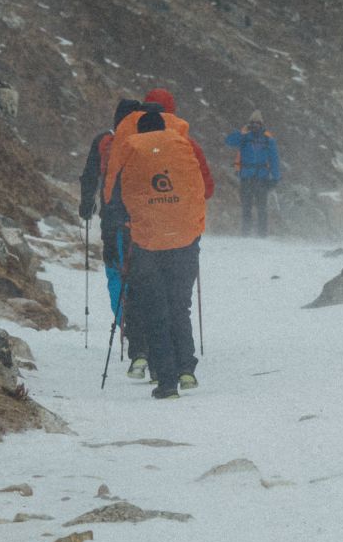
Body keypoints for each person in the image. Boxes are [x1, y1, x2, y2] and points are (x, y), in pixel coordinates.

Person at [102, 88, 214, 380]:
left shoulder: (128, 147)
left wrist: (125, 223)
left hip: (145, 239)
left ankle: (155, 370)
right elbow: (207, 189)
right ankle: (186, 369)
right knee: (179, 305)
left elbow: (113, 196)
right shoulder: (186, 145)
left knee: (150, 303)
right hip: (184, 238)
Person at [79, 99, 144, 369]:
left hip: (111, 221)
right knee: (141, 274)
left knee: (116, 272)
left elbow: (89, 176)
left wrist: (86, 208)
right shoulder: (147, 142)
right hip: (142, 221)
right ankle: (145, 328)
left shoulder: (105, 141)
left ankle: (126, 324)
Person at [225, 110, 280, 237]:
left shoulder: (268, 140)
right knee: (246, 207)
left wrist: (276, 177)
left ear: (262, 124)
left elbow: (274, 159)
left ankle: (262, 234)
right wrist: (242, 131)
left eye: (257, 123)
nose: (255, 126)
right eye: (252, 123)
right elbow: (228, 141)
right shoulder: (244, 137)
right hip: (246, 177)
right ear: (249, 124)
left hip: (262, 178)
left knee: (262, 208)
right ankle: (246, 233)